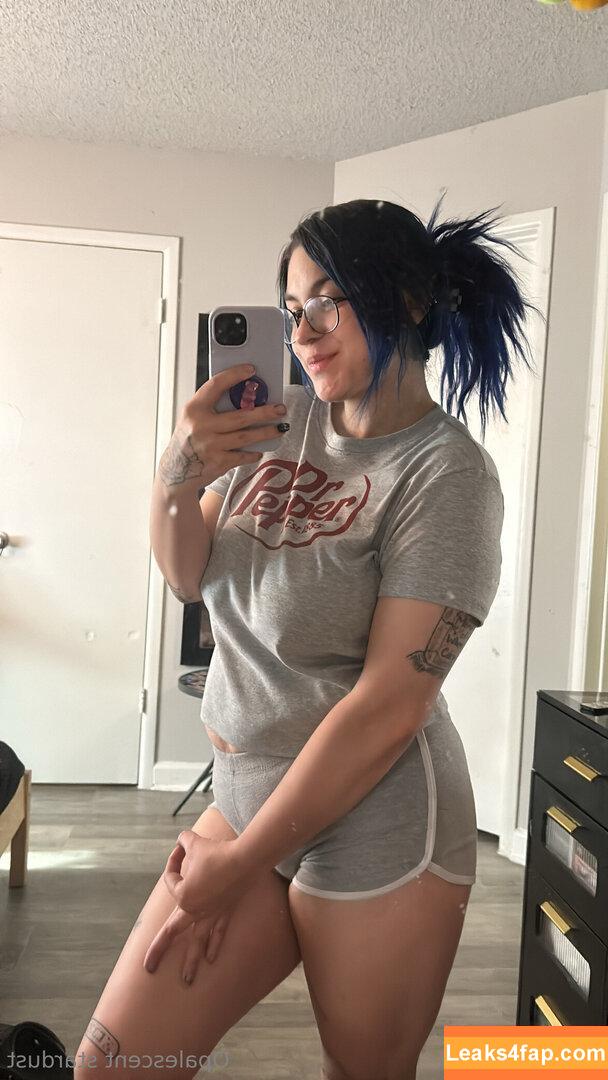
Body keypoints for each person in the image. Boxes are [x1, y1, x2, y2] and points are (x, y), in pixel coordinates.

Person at [74, 195, 540, 1079]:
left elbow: (390, 705)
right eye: (292, 310)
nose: (302, 333)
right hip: (247, 794)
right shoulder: (279, 420)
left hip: (378, 821)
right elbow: (188, 575)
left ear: (407, 300)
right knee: (111, 1067)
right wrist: (176, 476)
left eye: (328, 301)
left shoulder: (446, 475)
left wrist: (239, 863)